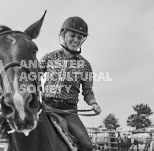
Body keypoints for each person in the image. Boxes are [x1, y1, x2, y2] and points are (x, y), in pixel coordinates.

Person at [39, 16, 101, 151]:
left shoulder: (85, 65)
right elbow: (33, 76)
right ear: (63, 34)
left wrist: (93, 103)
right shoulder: (48, 57)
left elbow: (88, 91)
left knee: (87, 146)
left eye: (80, 38)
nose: (76, 40)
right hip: (46, 106)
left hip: (69, 111)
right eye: (72, 35)